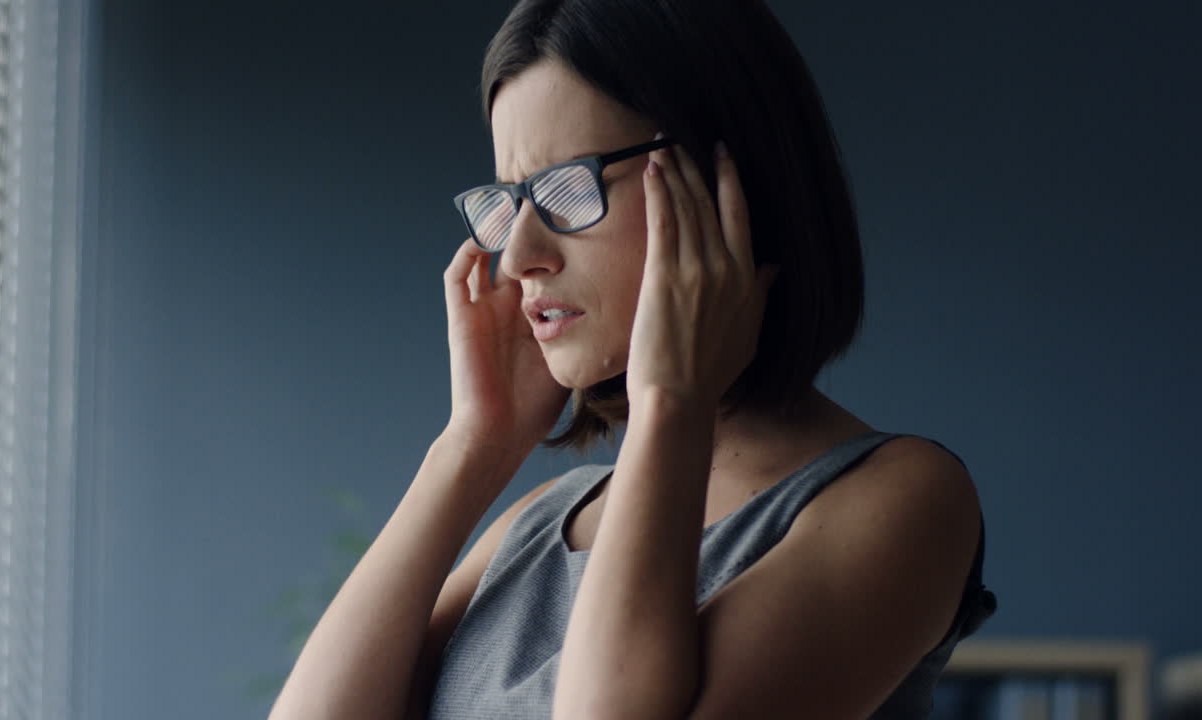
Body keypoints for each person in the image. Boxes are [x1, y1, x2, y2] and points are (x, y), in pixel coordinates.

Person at [268, 1, 997, 719]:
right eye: (509, 201)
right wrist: (472, 448)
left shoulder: (903, 499)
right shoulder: (540, 521)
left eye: (565, 189)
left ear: (727, 188)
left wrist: (670, 402)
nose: (518, 256)